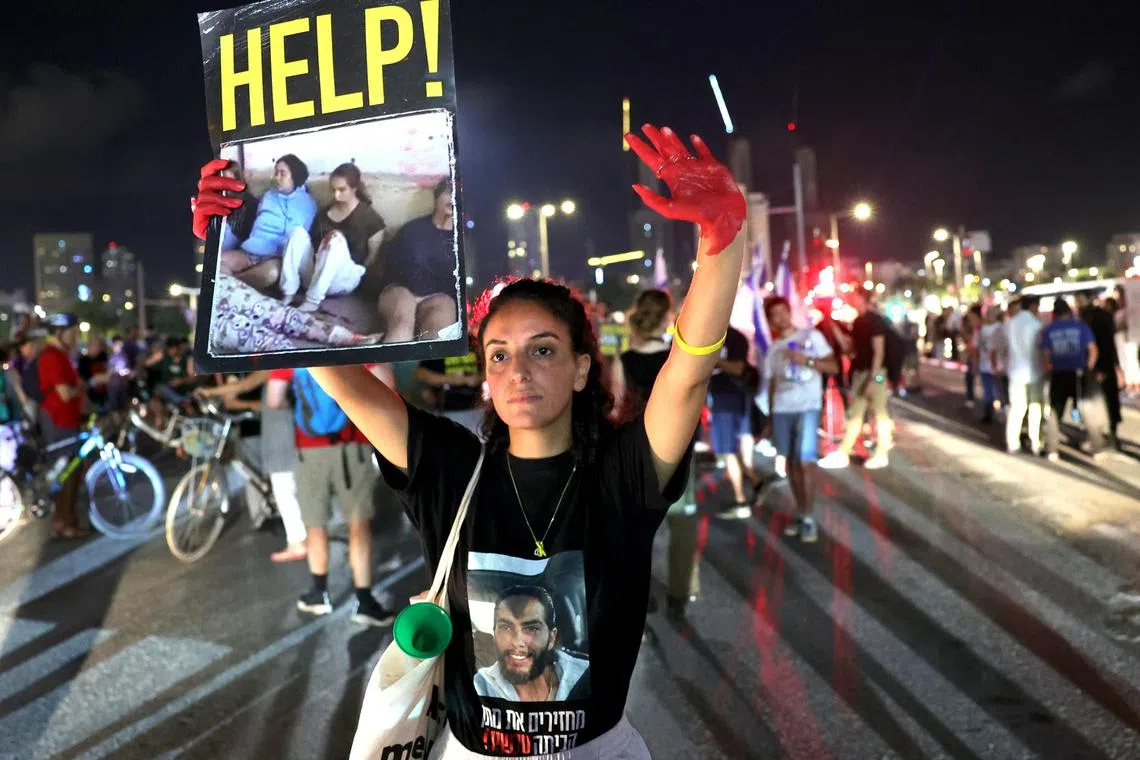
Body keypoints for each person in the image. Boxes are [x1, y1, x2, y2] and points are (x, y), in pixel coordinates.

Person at [192, 122, 747, 757]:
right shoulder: (449, 466)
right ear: (484, 374)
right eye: (499, 355)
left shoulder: (623, 474)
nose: (519, 372)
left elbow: (687, 373)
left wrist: (722, 240)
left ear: (582, 368)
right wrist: (222, 256)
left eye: (543, 350)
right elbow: (341, 381)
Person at [266, 364, 398, 625]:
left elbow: (274, 399)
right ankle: (364, 601)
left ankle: (319, 594)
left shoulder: (292, 348)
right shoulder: (357, 342)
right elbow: (388, 388)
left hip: (310, 450)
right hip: (353, 446)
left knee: (315, 525)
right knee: (358, 525)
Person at [611, 288, 700, 617]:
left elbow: (618, 410)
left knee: (638, 529)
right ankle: (679, 594)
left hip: (638, 451)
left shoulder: (625, 361)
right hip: (678, 449)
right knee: (682, 524)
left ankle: (642, 594)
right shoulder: (677, 359)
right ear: (667, 317)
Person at [196, 371, 308, 561]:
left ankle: (298, 541)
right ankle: (304, 537)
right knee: (286, 486)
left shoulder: (273, 363)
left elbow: (245, 385)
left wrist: (210, 391)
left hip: (282, 430)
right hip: (280, 428)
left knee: (284, 488)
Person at [764, 296, 839, 543]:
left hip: (808, 407)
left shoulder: (810, 337)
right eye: (774, 314)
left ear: (789, 312)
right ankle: (801, 510)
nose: (781, 317)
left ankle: (808, 518)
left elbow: (834, 367)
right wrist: (771, 417)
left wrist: (807, 360)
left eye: (783, 312)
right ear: (770, 320)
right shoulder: (774, 349)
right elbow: (773, 384)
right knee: (791, 464)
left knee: (805, 462)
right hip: (782, 410)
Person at [279, 162, 387, 313]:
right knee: (297, 232)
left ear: (354, 188)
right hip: (316, 274)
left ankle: (312, 301)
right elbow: (311, 244)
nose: (336, 195)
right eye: (333, 190)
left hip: (344, 278)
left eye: (342, 190)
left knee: (335, 238)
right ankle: (288, 292)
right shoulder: (325, 212)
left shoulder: (370, 218)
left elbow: (372, 258)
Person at [377, 178, 461, 343]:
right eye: (448, 192)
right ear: (436, 198)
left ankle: (427, 368)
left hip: (439, 297)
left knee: (438, 334)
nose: (453, 198)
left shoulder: (462, 240)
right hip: (401, 289)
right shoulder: (412, 230)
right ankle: (389, 365)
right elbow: (392, 268)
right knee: (402, 322)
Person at [474, 585, 589, 702]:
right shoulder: (480, 684)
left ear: (551, 638)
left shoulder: (584, 676)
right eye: (506, 627)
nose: (517, 642)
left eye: (531, 629)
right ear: (494, 632)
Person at [218, 154, 318, 290]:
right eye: (276, 173)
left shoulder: (307, 204)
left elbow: (298, 239)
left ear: (295, 176)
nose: (277, 177)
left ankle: (230, 283)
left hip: (275, 257)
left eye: (282, 174)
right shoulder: (268, 195)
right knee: (216, 263)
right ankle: (232, 284)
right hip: (250, 251)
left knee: (270, 275)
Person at [820, 288, 892, 470]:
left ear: (862, 298)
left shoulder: (874, 320)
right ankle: (843, 452)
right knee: (855, 414)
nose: (850, 299)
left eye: (854, 296)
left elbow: (879, 352)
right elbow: (849, 349)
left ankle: (882, 453)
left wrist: (874, 379)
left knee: (879, 414)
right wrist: (832, 325)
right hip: (860, 373)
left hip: (874, 373)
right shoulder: (858, 321)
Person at [38, 314, 89, 539]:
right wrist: (85, 386)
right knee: (67, 472)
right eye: (72, 332)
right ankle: (65, 523)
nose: (75, 336)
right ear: (59, 332)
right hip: (58, 421)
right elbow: (65, 393)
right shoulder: (52, 356)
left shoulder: (60, 355)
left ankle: (64, 521)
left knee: (71, 471)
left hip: (67, 419)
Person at [707, 325, 764, 517]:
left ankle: (741, 501)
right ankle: (756, 482)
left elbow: (739, 368)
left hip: (729, 398)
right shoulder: (708, 333)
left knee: (728, 451)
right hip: (722, 398)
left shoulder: (734, 337)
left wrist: (711, 358)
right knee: (729, 450)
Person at [1041, 298, 1101, 460]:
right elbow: (1093, 350)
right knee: (1084, 407)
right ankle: (1096, 447)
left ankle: (1052, 449)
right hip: (1078, 373)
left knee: (1055, 411)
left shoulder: (1049, 330)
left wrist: (1048, 369)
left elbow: (1046, 355)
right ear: (1069, 311)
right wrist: (1088, 369)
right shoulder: (1080, 326)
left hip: (1058, 374)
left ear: (1054, 313)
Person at [1005, 296, 1045, 455]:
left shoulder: (1010, 324)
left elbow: (1004, 348)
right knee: (1035, 408)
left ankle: (1012, 443)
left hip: (1015, 372)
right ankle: (1036, 443)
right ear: (1034, 306)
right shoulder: (1036, 324)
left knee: (1017, 408)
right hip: (1035, 371)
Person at [415, 350, 485, 434]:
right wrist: (461, 380)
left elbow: (490, 367)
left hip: (477, 409)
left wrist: (479, 377)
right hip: (448, 410)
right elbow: (421, 373)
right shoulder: (441, 348)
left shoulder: (473, 344)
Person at [977, 306, 1008, 424]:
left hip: (998, 366)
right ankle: (988, 413)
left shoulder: (1001, 328)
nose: (990, 315)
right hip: (985, 365)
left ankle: (1002, 413)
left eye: (992, 313)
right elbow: (979, 346)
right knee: (988, 391)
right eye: (988, 313)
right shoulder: (982, 329)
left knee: (999, 391)